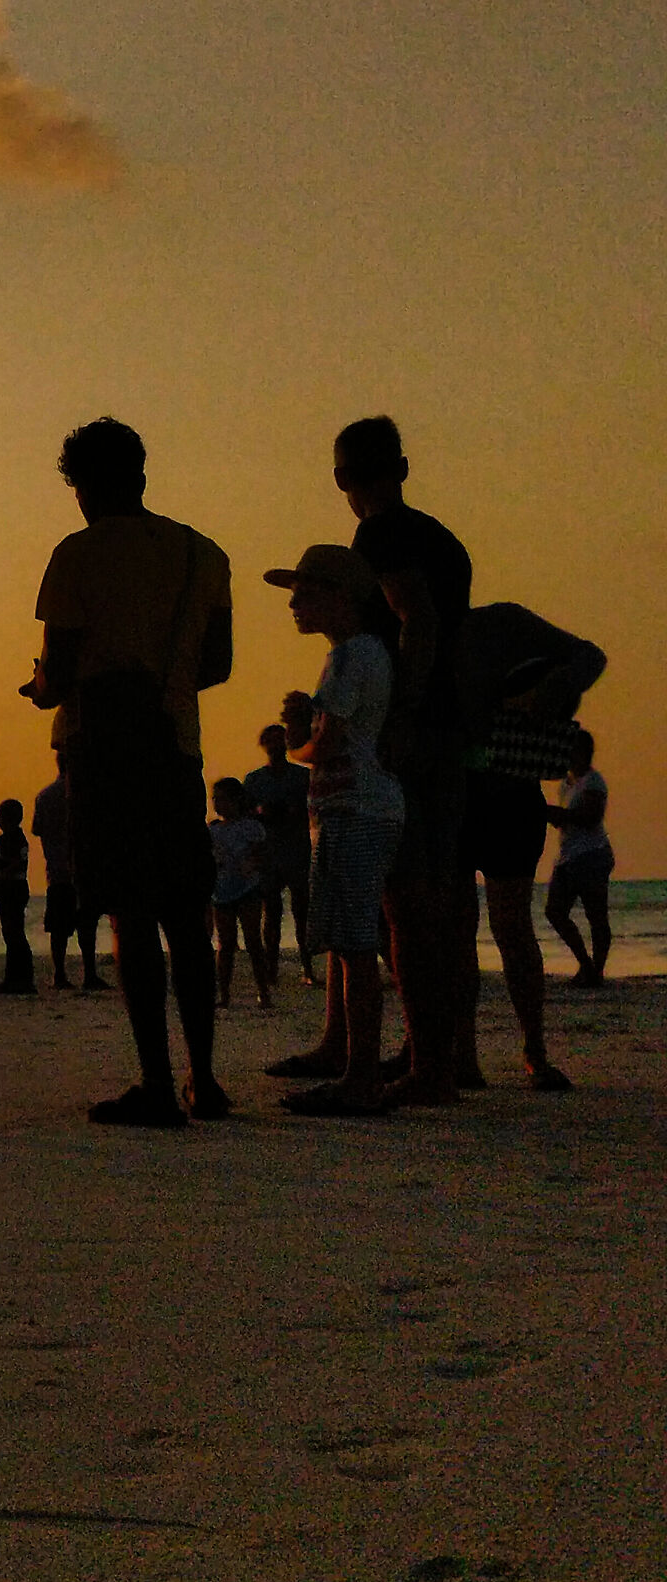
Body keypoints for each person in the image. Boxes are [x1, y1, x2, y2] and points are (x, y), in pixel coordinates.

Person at [27, 418, 234, 1127]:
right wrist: (161, 681)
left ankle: (156, 1083)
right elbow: (217, 664)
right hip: (176, 746)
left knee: (131, 915)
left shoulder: (77, 555)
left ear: (82, 486)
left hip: (102, 749)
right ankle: (204, 1079)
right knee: (186, 915)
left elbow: (59, 671)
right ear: (141, 475)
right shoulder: (202, 553)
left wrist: (43, 688)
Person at [334, 416, 477, 1105]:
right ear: (404, 466)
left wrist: (403, 712)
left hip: (416, 732)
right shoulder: (442, 538)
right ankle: (435, 1054)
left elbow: (416, 618)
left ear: (342, 479)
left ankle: (430, 1069)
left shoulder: (380, 535)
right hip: (452, 729)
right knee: (441, 901)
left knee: (408, 902)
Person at [264, 547, 408, 1117]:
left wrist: (297, 742)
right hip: (356, 808)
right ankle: (348, 1058)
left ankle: (360, 1076)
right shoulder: (359, 655)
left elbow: (327, 744)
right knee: (352, 940)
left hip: (354, 808)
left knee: (353, 945)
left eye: (304, 592)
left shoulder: (351, 656)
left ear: (340, 597)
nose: (294, 604)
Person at [456, 604, 605, 1088]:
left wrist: (550, 690)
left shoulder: (500, 623)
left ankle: (532, 1050)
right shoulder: (406, 629)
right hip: (453, 794)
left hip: (508, 793)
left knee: (510, 928)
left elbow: (590, 657)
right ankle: (464, 1053)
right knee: (461, 930)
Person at [244, 724, 316, 987]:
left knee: (302, 912)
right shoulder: (254, 780)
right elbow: (245, 815)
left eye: (279, 740)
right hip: (269, 851)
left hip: (296, 849)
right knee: (272, 912)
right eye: (271, 741)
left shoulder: (302, 776)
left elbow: (314, 807)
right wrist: (262, 812)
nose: (275, 746)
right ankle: (271, 968)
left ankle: (307, 966)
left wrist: (294, 811)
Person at [547, 728, 614, 987]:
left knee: (596, 915)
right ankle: (586, 965)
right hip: (569, 856)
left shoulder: (593, 782)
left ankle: (596, 969)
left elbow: (591, 817)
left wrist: (560, 815)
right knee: (555, 911)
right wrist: (557, 817)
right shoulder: (567, 783)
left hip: (591, 854)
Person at [31, 760, 105, 990]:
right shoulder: (87, 796)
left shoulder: (45, 796)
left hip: (57, 870)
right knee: (87, 924)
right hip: (83, 869)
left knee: (59, 929)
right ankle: (89, 973)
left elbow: (36, 828)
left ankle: (60, 974)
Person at [208, 777, 274, 1010]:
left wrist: (252, 863)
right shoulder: (213, 830)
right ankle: (224, 994)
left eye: (223, 799)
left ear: (236, 801)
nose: (218, 804)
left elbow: (262, 853)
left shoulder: (250, 827)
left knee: (253, 941)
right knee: (225, 944)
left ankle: (263, 991)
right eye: (215, 799)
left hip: (248, 889)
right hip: (222, 892)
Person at [0, 798, 37, 994]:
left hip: (11, 889)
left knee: (13, 934)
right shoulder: (15, 838)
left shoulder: (11, 839)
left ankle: (20, 979)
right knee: (13, 933)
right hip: (12, 888)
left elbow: (14, 864)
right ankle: (16, 978)